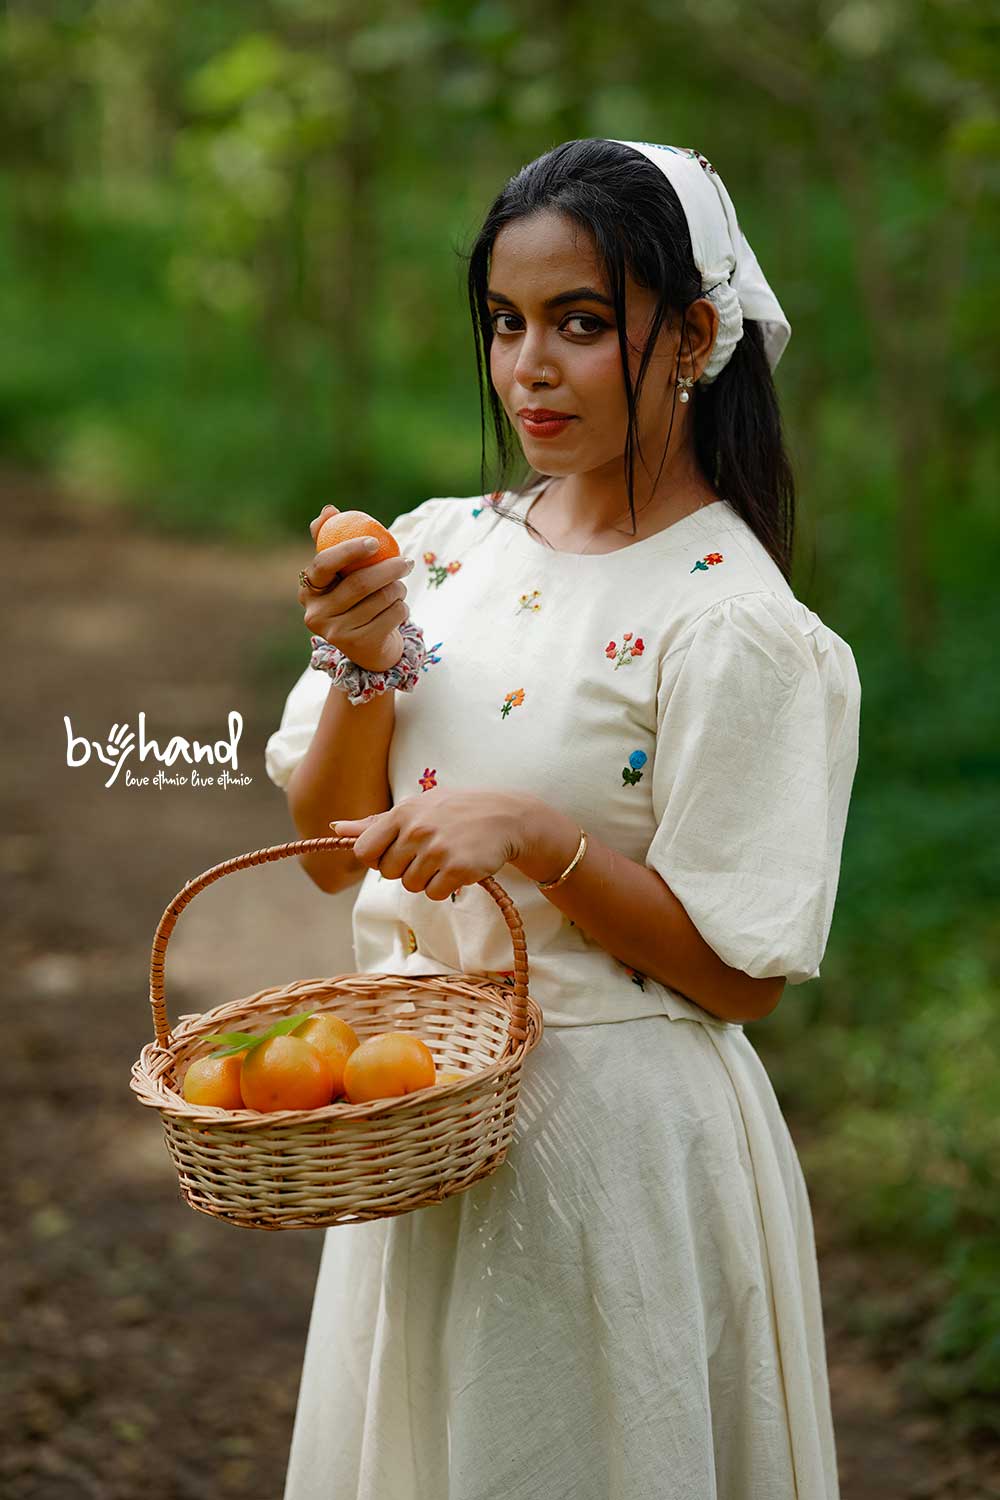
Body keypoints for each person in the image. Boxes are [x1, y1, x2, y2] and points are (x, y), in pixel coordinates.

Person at [265, 138, 861, 1500]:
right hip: (416, 1115)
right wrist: (369, 655)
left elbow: (739, 974)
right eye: (506, 323)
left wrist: (540, 838)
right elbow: (319, 853)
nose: (530, 366)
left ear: (694, 336)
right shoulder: (442, 549)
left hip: (616, 1164)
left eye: (582, 326)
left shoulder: (735, 624)